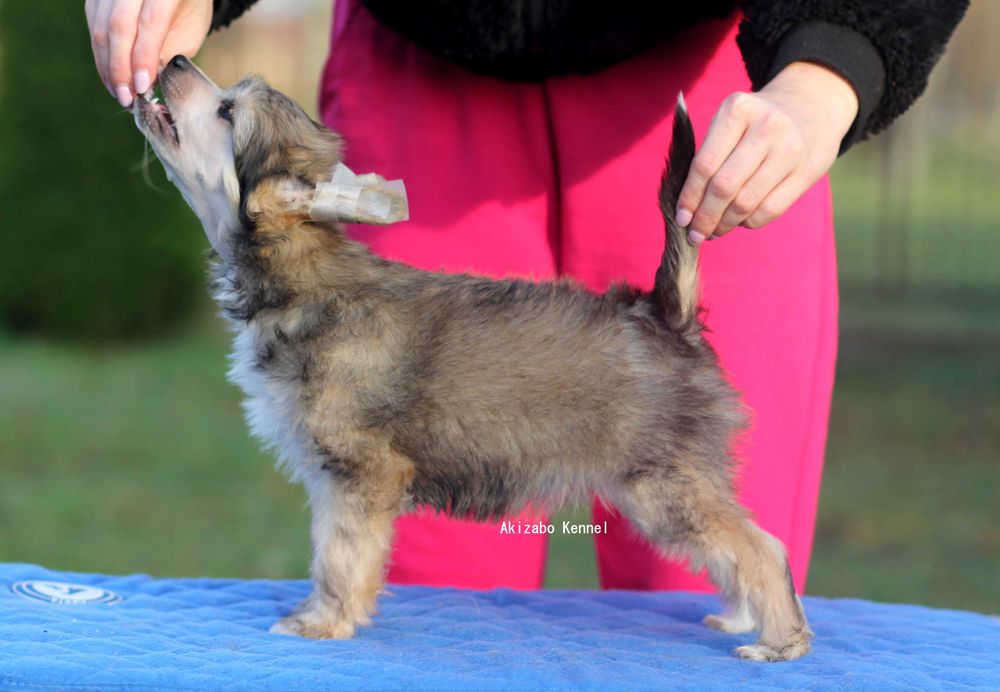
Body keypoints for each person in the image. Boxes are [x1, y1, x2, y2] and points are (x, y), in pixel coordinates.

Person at [86, 0, 968, 593]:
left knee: (709, 581)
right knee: (426, 611)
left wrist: (835, 61)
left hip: (721, 89)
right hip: (420, 68)